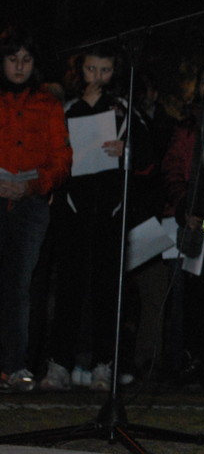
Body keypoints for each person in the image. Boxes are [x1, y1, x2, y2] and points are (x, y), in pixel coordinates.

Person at [43, 43, 156, 391]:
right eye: (91, 69)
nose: (98, 77)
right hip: (72, 211)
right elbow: (49, 151)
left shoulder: (124, 110)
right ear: (80, 71)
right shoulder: (66, 109)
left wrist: (127, 151)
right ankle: (59, 363)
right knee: (68, 291)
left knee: (109, 292)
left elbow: (150, 157)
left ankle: (103, 365)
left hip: (111, 212)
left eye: (104, 70)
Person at [0, 24, 72, 391]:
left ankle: (14, 366)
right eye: (12, 60)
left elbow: (61, 159)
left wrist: (30, 184)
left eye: (25, 60)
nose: (18, 67)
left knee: (19, 286)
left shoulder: (47, 104)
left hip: (30, 203)